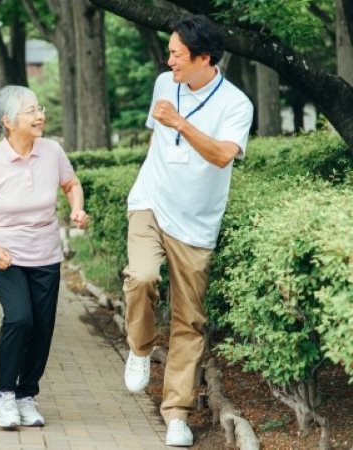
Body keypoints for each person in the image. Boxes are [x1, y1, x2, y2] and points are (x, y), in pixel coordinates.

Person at [121, 14, 254, 447]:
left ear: (204, 58)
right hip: (150, 202)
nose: (169, 60)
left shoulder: (236, 104)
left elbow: (222, 155)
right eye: (170, 52)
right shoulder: (165, 84)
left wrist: (181, 123)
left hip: (196, 221)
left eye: (177, 54)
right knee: (141, 277)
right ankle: (140, 347)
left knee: (189, 319)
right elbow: (156, 143)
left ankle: (176, 414)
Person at [0, 85, 89, 429]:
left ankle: (26, 395)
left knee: (43, 327)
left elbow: (72, 185)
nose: (40, 116)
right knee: (20, 319)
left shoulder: (52, 151)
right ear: (8, 121)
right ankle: (5, 394)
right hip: (7, 256)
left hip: (46, 253)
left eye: (40, 108)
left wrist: (77, 209)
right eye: (31, 111)